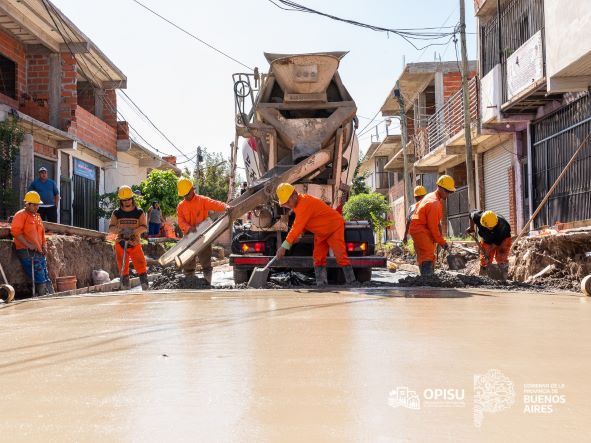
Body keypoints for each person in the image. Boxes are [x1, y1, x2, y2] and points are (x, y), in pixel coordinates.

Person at [274, 183, 356, 287]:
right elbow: (304, 223)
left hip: (334, 226)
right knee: (318, 258)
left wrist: (284, 246)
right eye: (284, 204)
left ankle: (352, 282)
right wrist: (299, 235)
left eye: (287, 202)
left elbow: (296, 227)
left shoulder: (304, 203)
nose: (287, 205)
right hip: (321, 231)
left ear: (294, 195)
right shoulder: (298, 205)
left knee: (340, 254)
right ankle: (321, 284)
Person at [176, 177, 228, 284]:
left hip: (203, 236)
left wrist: (225, 207)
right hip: (188, 238)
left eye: (188, 194)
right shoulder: (181, 206)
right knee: (188, 263)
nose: (186, 196)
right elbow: (181, 221)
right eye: (184, 195)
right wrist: (189, 228)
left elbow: (214, 203)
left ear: (192, 190)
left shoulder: (202, 200)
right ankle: (190, 282)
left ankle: (207, 282)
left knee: (206, 261)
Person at [408, 175, 456, 276]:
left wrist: (438, 240)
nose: (448, 195)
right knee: (428, 255)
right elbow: (433, 228)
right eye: (447, 191)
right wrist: (442, 242)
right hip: (421, 230)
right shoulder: (434, 203)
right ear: (440, 188)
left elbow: (418, 207)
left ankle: (424, 279)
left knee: (423, 255)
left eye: (450, 192)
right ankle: (427, 280)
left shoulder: (430, 196)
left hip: (418, 228)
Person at [10, 191, 54, 295]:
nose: (37, 207)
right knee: (39, 276)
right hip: (26, 252)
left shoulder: (37, 217)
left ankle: (51, 297)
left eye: (38, 205)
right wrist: (28, 245)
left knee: (46, 277)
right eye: (34, 205)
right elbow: (15, 232)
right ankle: (43, 298)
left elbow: (42, 234)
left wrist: (44, 246)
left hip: (38, 252)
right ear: (27, 204)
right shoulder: (20, 215)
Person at [108, 186, 149, 290]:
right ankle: (125, 290)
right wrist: (121, 231)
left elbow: (144, 227)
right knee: (123, 269)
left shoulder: (139, 212)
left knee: (141, 266)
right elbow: (111, 227)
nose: (127, 202)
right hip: (121, 244)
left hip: (134, 243)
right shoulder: (116, 213)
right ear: (121, 200)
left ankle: (145, 288)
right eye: (124, 200)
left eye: (129, 199)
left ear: (132, 198)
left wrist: (133, 232)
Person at [467, 210, 512, 278]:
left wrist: (488, 251)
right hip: (487, 238)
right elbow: (470, 214)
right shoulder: (477, 216)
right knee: (484, 259)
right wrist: (471, 228)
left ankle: (503, 275)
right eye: (489, 227)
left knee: (501, 256)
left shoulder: (503, 225)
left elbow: (496, 242)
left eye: (492, 227)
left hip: (503, 238)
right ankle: (483, 276)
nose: (491, 228)